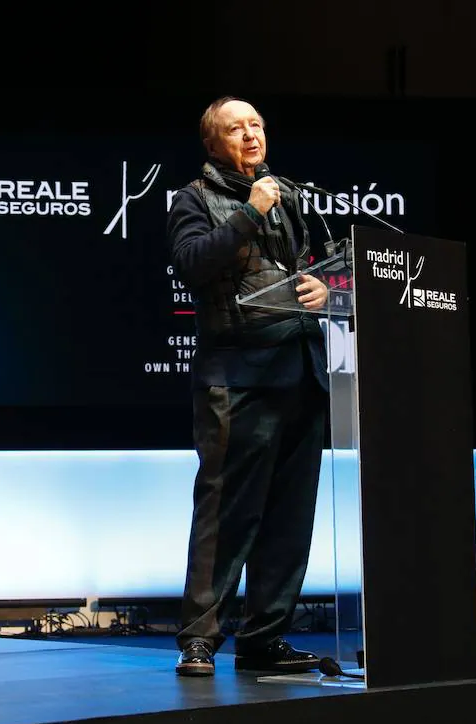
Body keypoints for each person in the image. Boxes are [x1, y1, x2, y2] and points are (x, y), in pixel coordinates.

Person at [168, 96, 330, 677]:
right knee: (227, 513)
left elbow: (316, 266)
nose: (250, 135)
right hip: (238, 380)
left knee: (291, 516)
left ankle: (265, 637)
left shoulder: (290, 194)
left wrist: (325, 292)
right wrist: (249, 213)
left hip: (301, 373)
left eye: (257, 124)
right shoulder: (196, 199)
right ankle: (199, 640)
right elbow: (190, 264)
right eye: (235, 129)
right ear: (213, 145)